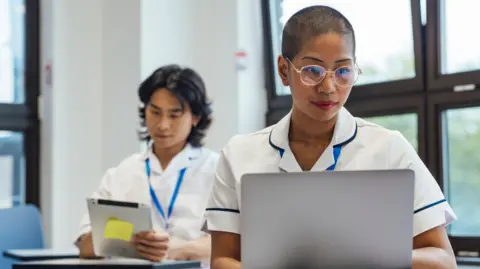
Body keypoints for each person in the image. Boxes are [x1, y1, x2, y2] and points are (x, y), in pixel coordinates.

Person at [206, 5, 457, 269]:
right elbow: (223, 260)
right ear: (283, 70)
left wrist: (362, 258)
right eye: (312, 71)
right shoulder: (239, 154)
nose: (328, 88)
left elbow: (443, 261)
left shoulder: (389, 149)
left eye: (342, 71)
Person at [76, 64, 219, 264]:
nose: (163, 125)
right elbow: (85, 246)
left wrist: (177, 250)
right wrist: (129, 239)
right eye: (155, 112)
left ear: (195, 117)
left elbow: (239, 242)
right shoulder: (123, 172)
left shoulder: (218, 171)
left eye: (174, 115)